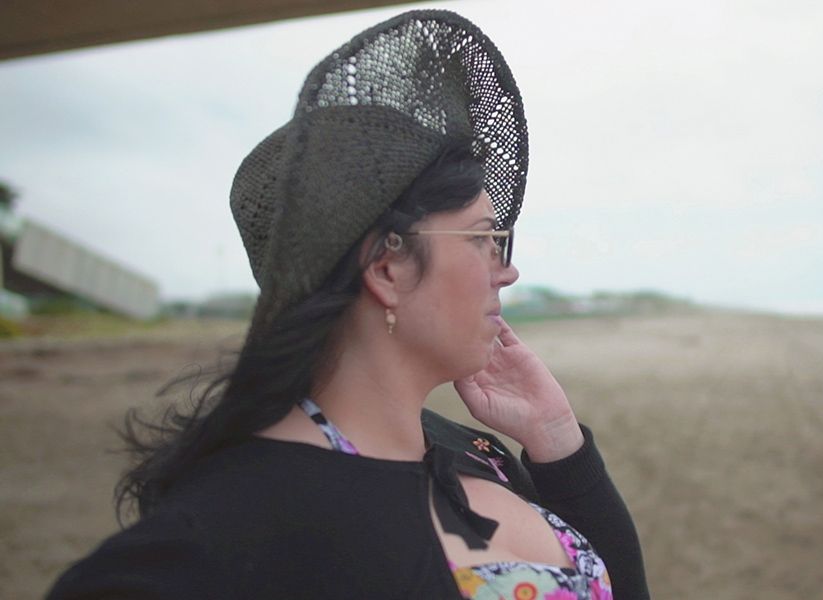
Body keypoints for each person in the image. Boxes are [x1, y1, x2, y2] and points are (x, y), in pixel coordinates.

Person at [47, 10, 649, 600]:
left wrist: (555, 438)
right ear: (386, 267)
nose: (508, 271)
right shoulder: (226, 536)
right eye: (484, 240)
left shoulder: (465, 448)